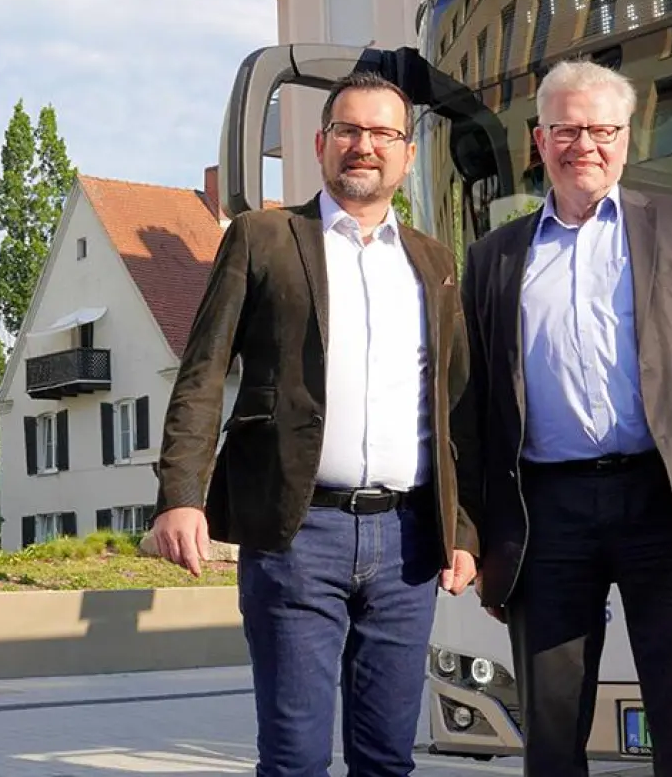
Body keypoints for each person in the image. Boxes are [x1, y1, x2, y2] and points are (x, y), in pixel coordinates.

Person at [147, 70, 480, 776]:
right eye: (349, 130)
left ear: (407, 153)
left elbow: (456, 406)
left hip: (409, 542)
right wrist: (181, 495)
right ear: (321, 143)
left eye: (383, 133)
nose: (365, 146)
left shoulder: (433, 261)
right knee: (295, 758)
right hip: (297, 535)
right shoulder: (264, 237)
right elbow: (203, 371)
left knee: (387, 760)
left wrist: (464, 530)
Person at [454, 59, 672, 776]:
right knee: (550, 733)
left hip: (667, 502)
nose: (585, 146)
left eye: (602, 130)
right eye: (567, 130)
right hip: (546, 515)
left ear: (627, 138)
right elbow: (471, 409)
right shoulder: (495, 257)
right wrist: (473, 535)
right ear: (540, 141)